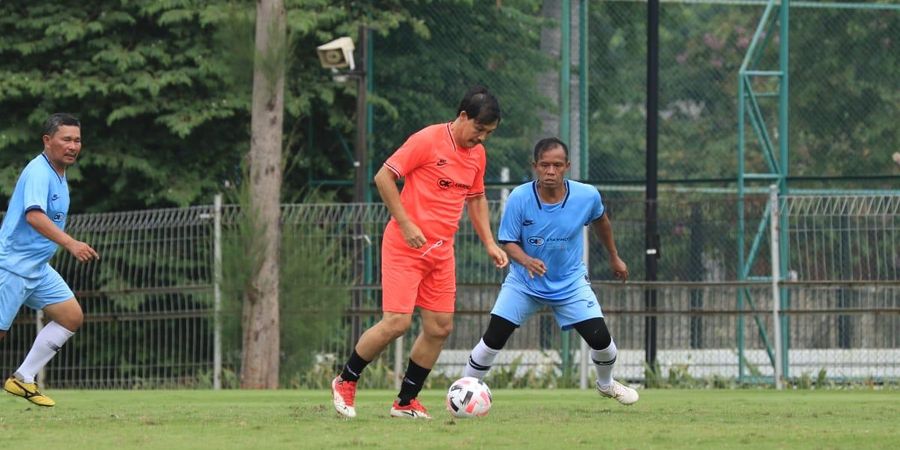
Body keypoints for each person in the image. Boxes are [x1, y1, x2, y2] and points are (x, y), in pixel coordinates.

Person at [332, 86, 509, 419]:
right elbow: (384, 176)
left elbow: (476, 198)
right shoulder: (427, 140)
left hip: (442, 253)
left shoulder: (477, 155)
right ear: (462, 117)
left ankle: (405, 402)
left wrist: (488, 242)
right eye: (479, 129)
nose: (482, 138)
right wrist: (406, 223)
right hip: (405, 246)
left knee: (440, 328)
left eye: (489, 133)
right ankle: (345, 380)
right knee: (397, 322)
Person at [463, 137, 638, 405]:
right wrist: (527, 261)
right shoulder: (520, 197)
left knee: (602, 341)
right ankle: (464, 393)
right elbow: (507, 241)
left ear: (567, 166)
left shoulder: (587, 195)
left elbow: (601, 221)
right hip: (525, 283)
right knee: (492, 339)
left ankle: (606, 384)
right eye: (544, 165)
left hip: (570, 283)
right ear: (535, 166)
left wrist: (614, 257)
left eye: (557, 165)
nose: (551, 171)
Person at [1, 113, 99, 407]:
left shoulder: (59, 173)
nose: (72, 146)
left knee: (71, 317)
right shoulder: (38, 172)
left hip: (38, 269)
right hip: (12, 267)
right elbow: (34, 215)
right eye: (66, 139)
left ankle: (24, 378)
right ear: (48, 141)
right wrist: (70, 243)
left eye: (77, 140)